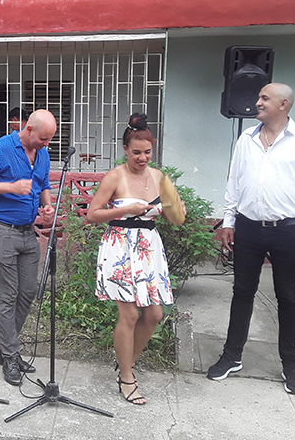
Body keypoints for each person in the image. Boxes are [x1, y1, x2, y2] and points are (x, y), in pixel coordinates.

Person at [206, 83, 295, 395]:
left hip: (287, 229)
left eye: (264, 98)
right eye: (258, 96)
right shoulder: (246, 139)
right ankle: (231, 356)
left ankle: (290, 363)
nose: (257, 102)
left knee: (288, 296)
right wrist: (229, 222)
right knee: (242, 292)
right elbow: (234, 183)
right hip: (247, 227)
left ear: (284, 103)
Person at [84, 113, 173, 405]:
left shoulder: (159, 177)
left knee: (155, 315)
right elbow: (92, 215)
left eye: (148, 152)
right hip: (120, 246)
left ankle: (126, 364)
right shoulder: (115, 176)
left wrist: (173, 207)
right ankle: (126, 376)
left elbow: (173, 214)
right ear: (125, 150)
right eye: (136, 152)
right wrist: (127, 209)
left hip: (149, 247)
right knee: (130, 315)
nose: (142, 157)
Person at [0, 109, 56, 386]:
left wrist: (47, 204)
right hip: (1, 231)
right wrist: (11, 187)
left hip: (28, 233)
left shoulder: (41, 153)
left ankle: (6, 347)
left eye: (50, 139)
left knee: (28, 291)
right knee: (8, 294)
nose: (47, 144)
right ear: (29, 130)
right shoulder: (2, 148)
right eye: (43, 138)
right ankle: (10, 355)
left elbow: (43, 183)